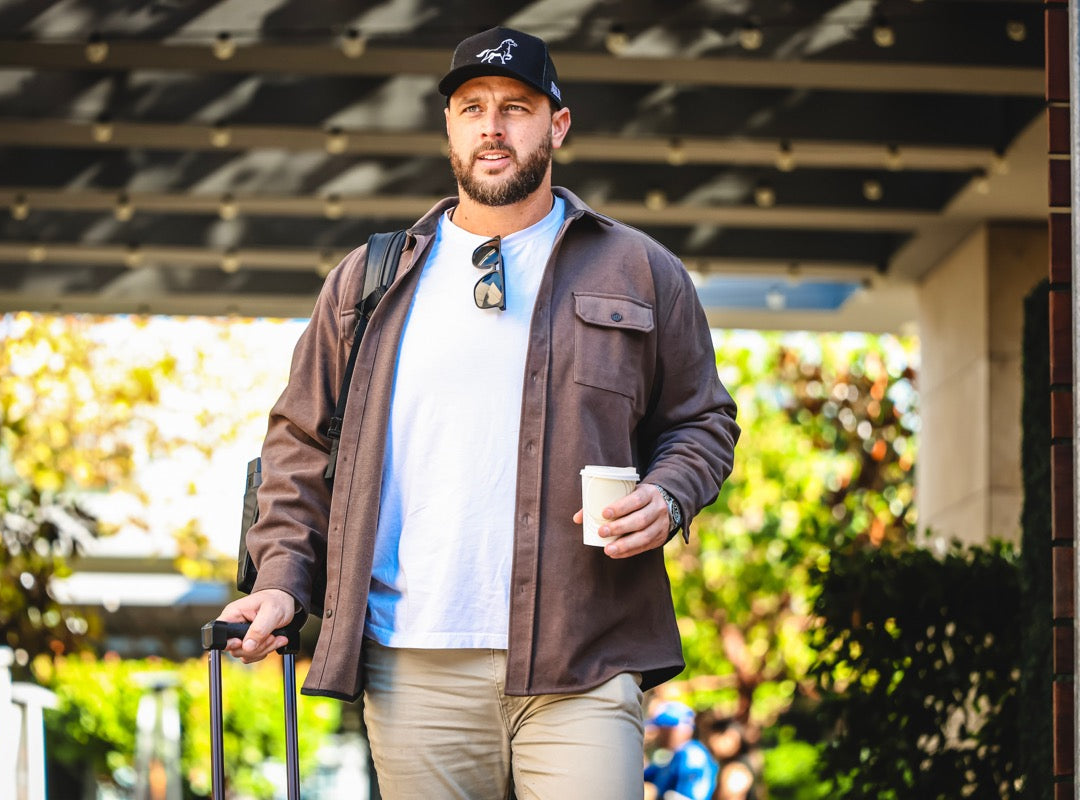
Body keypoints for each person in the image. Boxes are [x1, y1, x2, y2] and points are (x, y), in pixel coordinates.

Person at [216, 25, 739, 800]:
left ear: (556, 125)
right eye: (471, 108)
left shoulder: (640, 270)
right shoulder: (369, 283)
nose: (492, 127)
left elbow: (703, 421)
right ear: (450, 129)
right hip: (413, 665)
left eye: (516, 107)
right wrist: (284, 580)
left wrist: (669, 493)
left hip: (584, 659)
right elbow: (299, 447)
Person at [643, 702, 719, 800]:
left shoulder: (692, 755)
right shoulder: (673, 756)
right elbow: (643, 776)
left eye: (661, 729)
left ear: (672, 730)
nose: (657, 734)